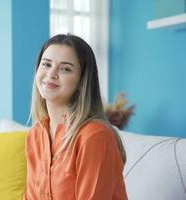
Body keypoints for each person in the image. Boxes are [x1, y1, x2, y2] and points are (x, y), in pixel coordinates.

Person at [24, 34, 128, 200]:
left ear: (81, 81)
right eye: (46, 64)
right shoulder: (35, 135)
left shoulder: (95, 136)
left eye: (65, 68)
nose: (51, 73)